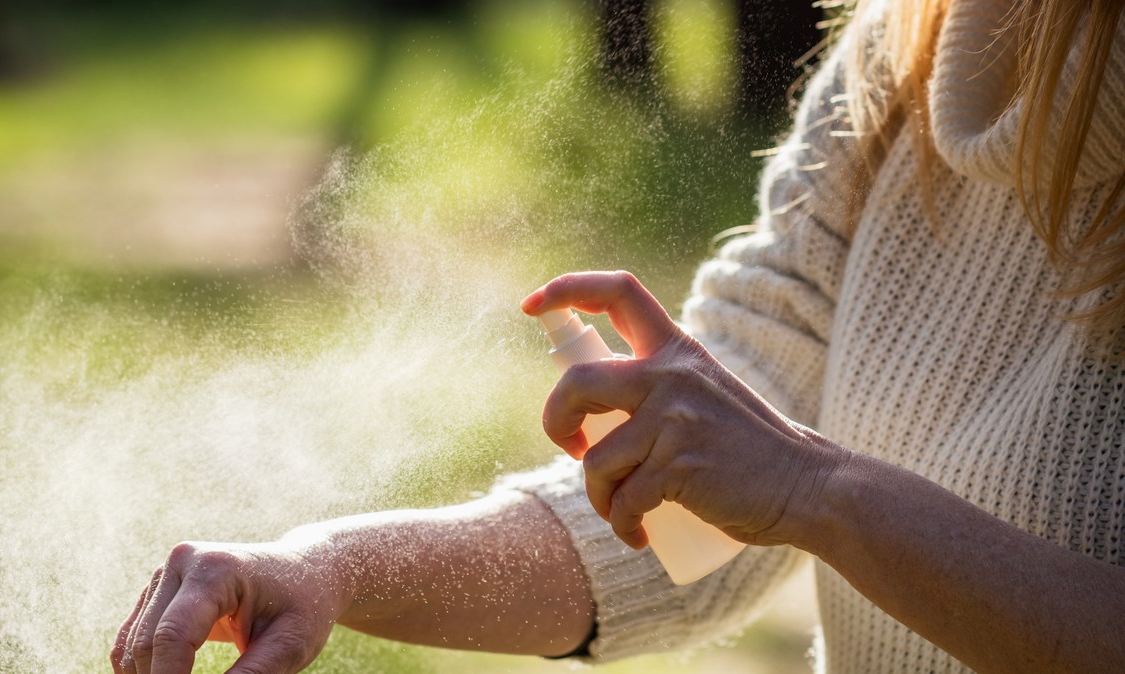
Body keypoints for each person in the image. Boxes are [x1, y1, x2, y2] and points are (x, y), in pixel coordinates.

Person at [110, 0, 1125, 672]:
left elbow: (778, 484)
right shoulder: (900, 52)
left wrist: (819, 494)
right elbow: (688, 528)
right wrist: (324, 565)